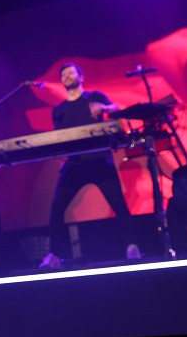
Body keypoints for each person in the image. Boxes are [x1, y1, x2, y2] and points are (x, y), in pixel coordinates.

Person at [40, 62, 139, 269]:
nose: (66, 76)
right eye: (63, 74)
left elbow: (116, 110)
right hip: (75, 165)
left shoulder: (95, 97)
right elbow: (61, 138)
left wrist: (102, 108)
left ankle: (132, 245)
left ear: (80, 77)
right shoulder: (59, 110)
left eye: (70, 72)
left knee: (119, 204)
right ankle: (55, 254)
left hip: (100, 161)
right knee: (57, 208)